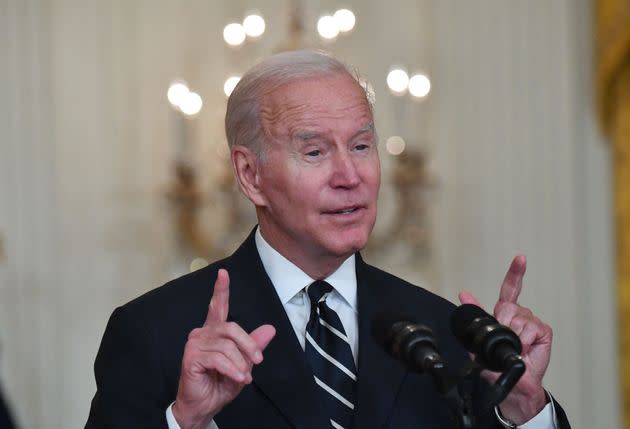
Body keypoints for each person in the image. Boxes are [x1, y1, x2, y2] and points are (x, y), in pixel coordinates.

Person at [85, 50, 570, 429]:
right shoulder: (154, 332)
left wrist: (525, 407)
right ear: (250, 175)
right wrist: (186, 421)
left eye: (361, 146)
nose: (350, 175)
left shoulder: (439, 330)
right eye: (315, 152)